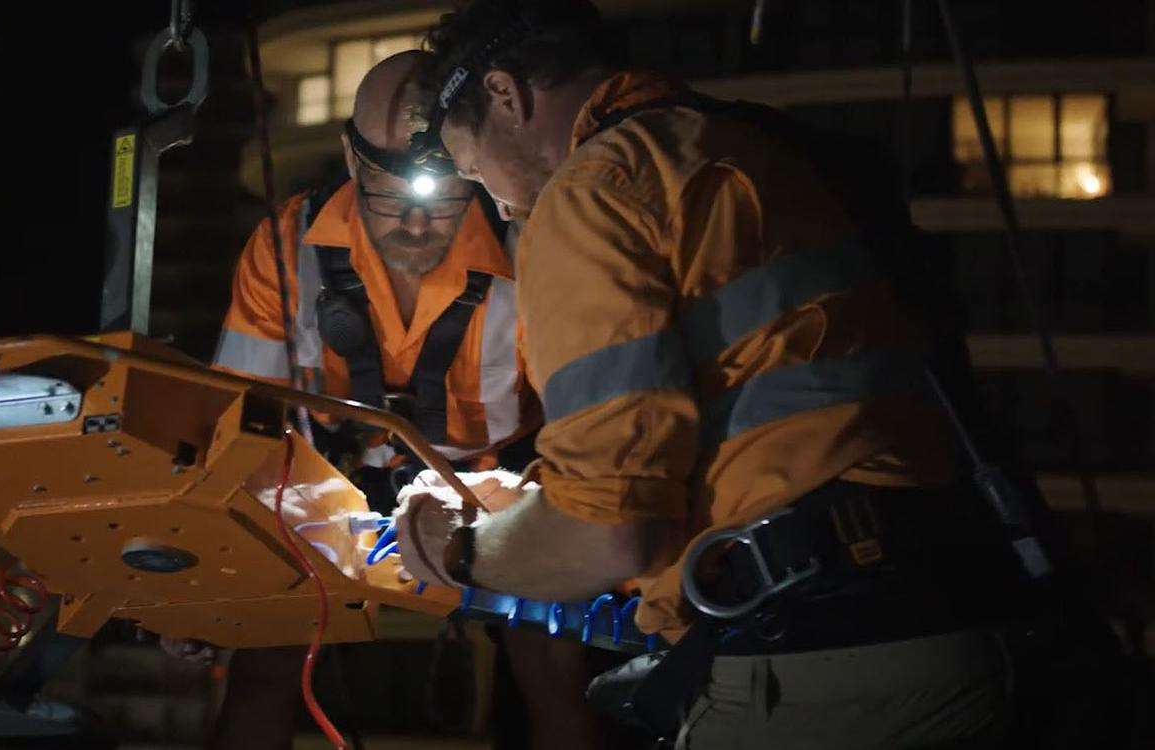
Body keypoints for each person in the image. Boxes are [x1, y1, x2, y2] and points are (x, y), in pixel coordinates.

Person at [393, 1, 1048, 747]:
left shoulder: (593, 191)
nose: (497, 202)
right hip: (959, 628)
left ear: (505, 96)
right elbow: (768, 411)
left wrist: (460, 546)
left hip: (815, 670)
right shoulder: (756, 149)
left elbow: (608, 539)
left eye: (475, 168)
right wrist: (537, 505)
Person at [183, 50, 620, 749]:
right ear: (353, 165)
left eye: (446, 199)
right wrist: (210, 559)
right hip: (323, 483)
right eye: (393, 195)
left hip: (491, 485)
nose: (419, 226)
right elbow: (237, 415)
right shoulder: (286, 245)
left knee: (553, 664)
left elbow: (580, 425)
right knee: (262, 659)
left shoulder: (526, 246)